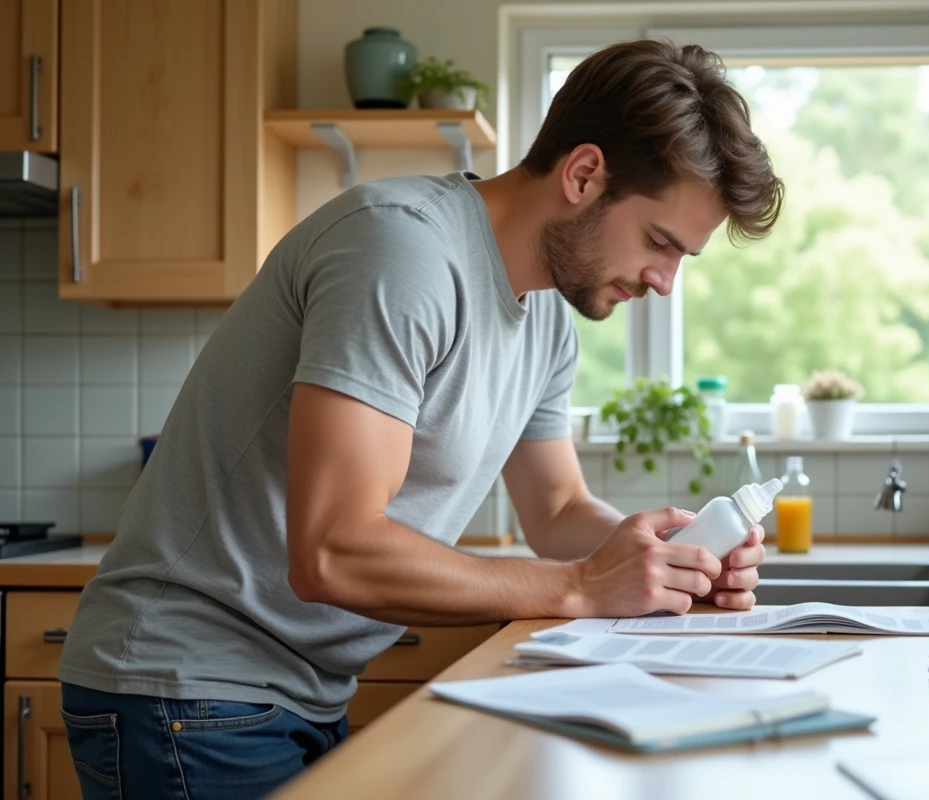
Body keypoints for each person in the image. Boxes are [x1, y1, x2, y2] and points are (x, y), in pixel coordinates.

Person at [57, 38, 784, 799]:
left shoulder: (547, 323)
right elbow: (332, 551)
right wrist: (579, 587)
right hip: (187, 685)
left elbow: (558, 508)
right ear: (582, 174)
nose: (665, 282)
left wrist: (668, 565)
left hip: (288, 693)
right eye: (660, 243)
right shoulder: (401, 250)